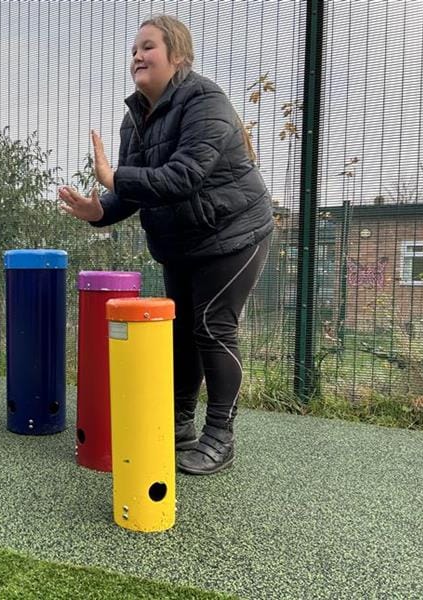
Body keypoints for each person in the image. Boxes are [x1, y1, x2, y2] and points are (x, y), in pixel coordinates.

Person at [59, 15, 273, 475]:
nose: (137, 55)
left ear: (178, 56)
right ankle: (178, 425)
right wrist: (98, 209)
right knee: (181, 333)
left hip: (235, 231)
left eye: (148, 47)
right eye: (134, 49)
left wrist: (114, 178)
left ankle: (220, 436)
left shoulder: (205, 102)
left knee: (213, 327)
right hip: (181, 242)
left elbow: (182, 176)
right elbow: (134, 192)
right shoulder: (134, 118)